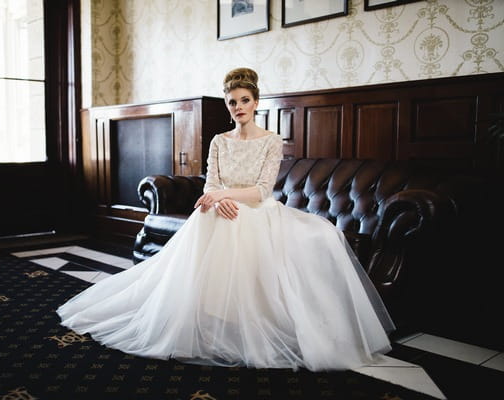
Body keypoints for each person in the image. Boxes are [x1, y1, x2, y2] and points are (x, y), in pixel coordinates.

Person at [57, 67, 395, 372]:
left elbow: (262, 191)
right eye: (232, 102)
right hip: (221, 209)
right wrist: (218, 201)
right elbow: (210, 185)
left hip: (258, 210)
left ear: (256, 102)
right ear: (227, 105)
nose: (239, 107)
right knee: (217, 222)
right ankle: (207, 318)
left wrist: (223, 197)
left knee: (307, 234)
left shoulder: (272, 140)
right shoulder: (220, 141)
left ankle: (247, 323)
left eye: (244, 100)